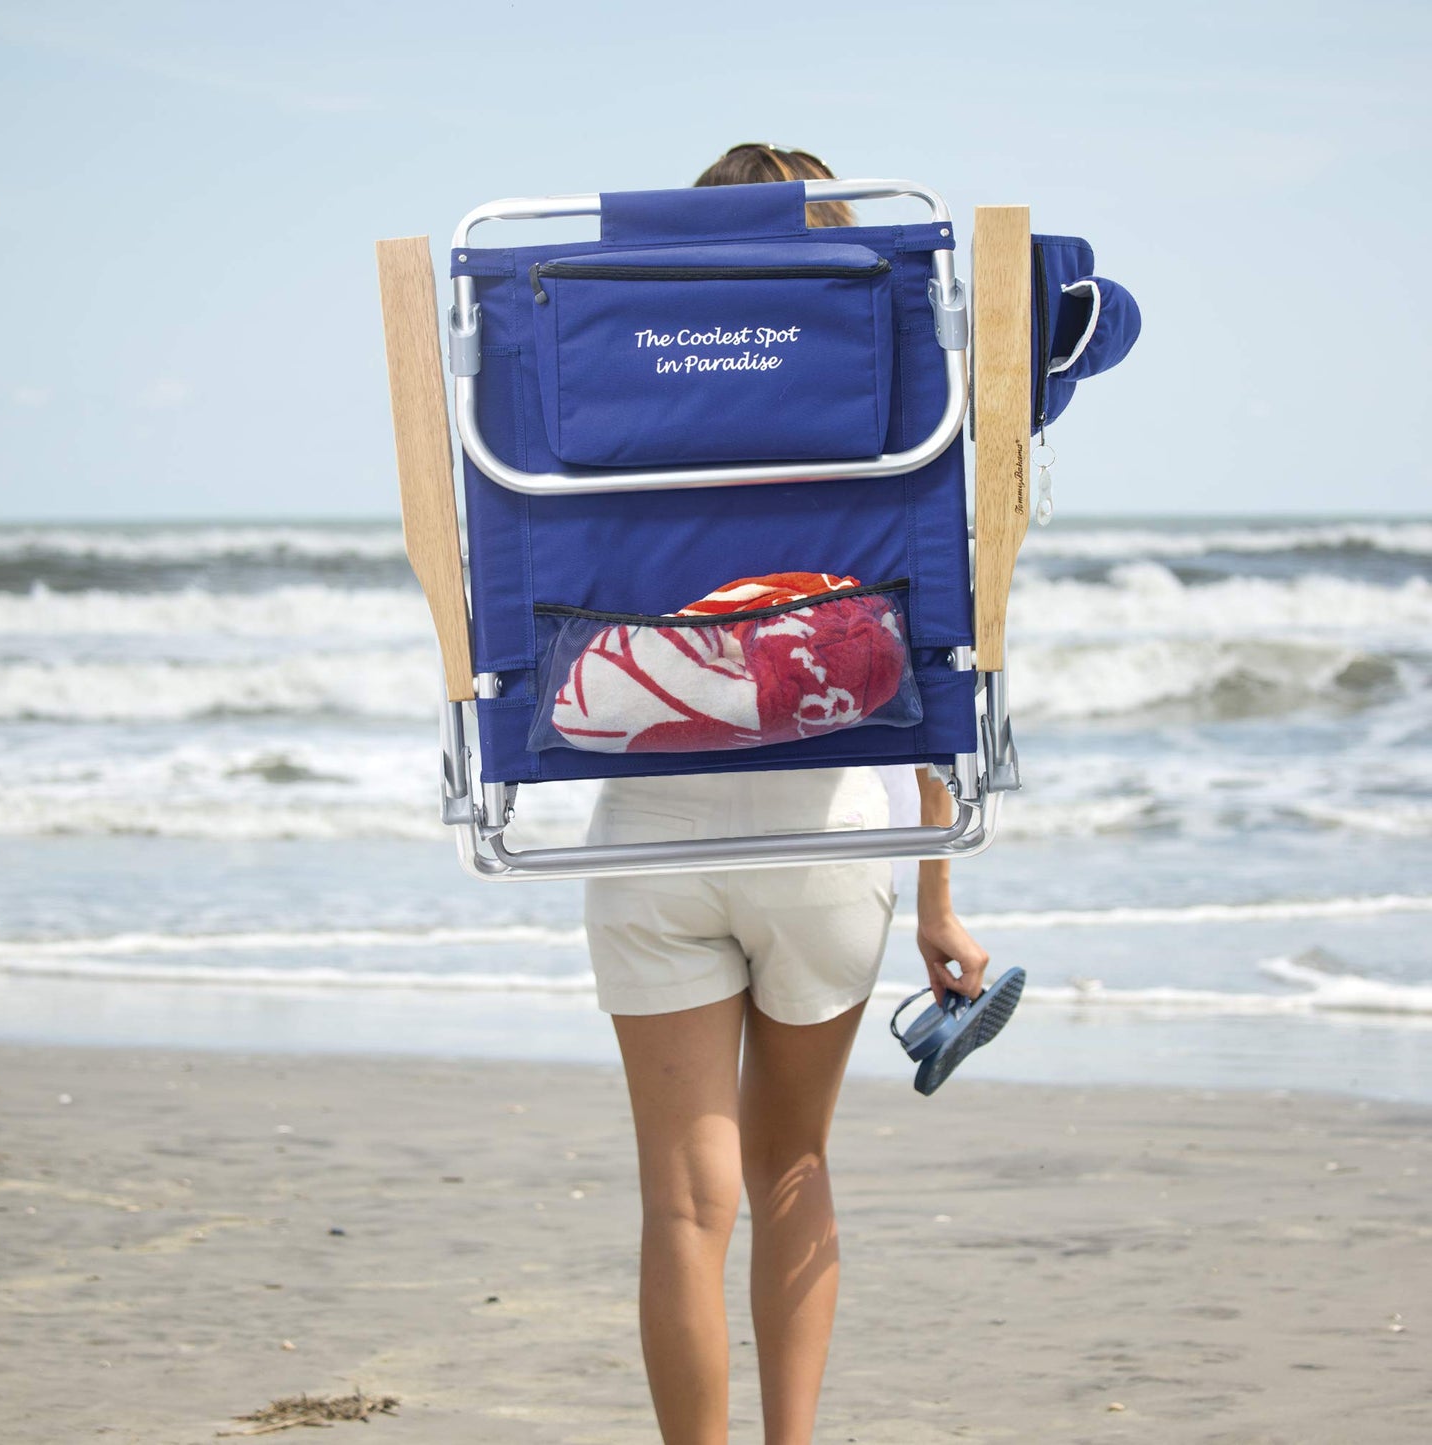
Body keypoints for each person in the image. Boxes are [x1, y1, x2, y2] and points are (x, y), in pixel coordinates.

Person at [583, 142, 990, 1445]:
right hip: (822, 836)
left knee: (683, 1201)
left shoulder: (596, 430)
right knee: (793, 1167)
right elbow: (929, 661)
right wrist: (939, 895)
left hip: (650, 831)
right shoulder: (884, 434)